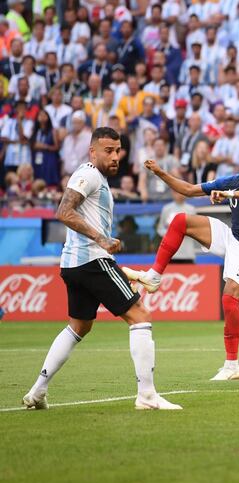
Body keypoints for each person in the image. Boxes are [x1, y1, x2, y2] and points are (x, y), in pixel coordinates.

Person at [22, 128, 181, 411]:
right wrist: (101, 239)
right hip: (91, 260)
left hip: (75, 264)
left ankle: (37, 390)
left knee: (79, 326)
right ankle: (146, 395)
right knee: (140, 316)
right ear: (92, 152)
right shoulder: (89, 175)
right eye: (108, 150)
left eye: (118, 150)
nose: (115, 156)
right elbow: (63, 211)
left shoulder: (99, 179)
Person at [122, 142, 239, 381]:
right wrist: (161, 173)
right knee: (181, 220)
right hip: (232, 238)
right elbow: (188, 190)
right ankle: (154, 276)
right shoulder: (231, 180)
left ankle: (232, 365)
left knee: (229, 298)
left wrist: (228, 194)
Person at [156, 190, 197, 264]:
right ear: (173, 194)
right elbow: (160, 229)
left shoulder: (191, 209)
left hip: (187, 253)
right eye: (177, 192)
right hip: (170, 254)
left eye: (182, 192)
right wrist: (172, 233)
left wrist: (185, 232)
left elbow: (195, 229)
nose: (180, 195)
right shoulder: (167, 209)